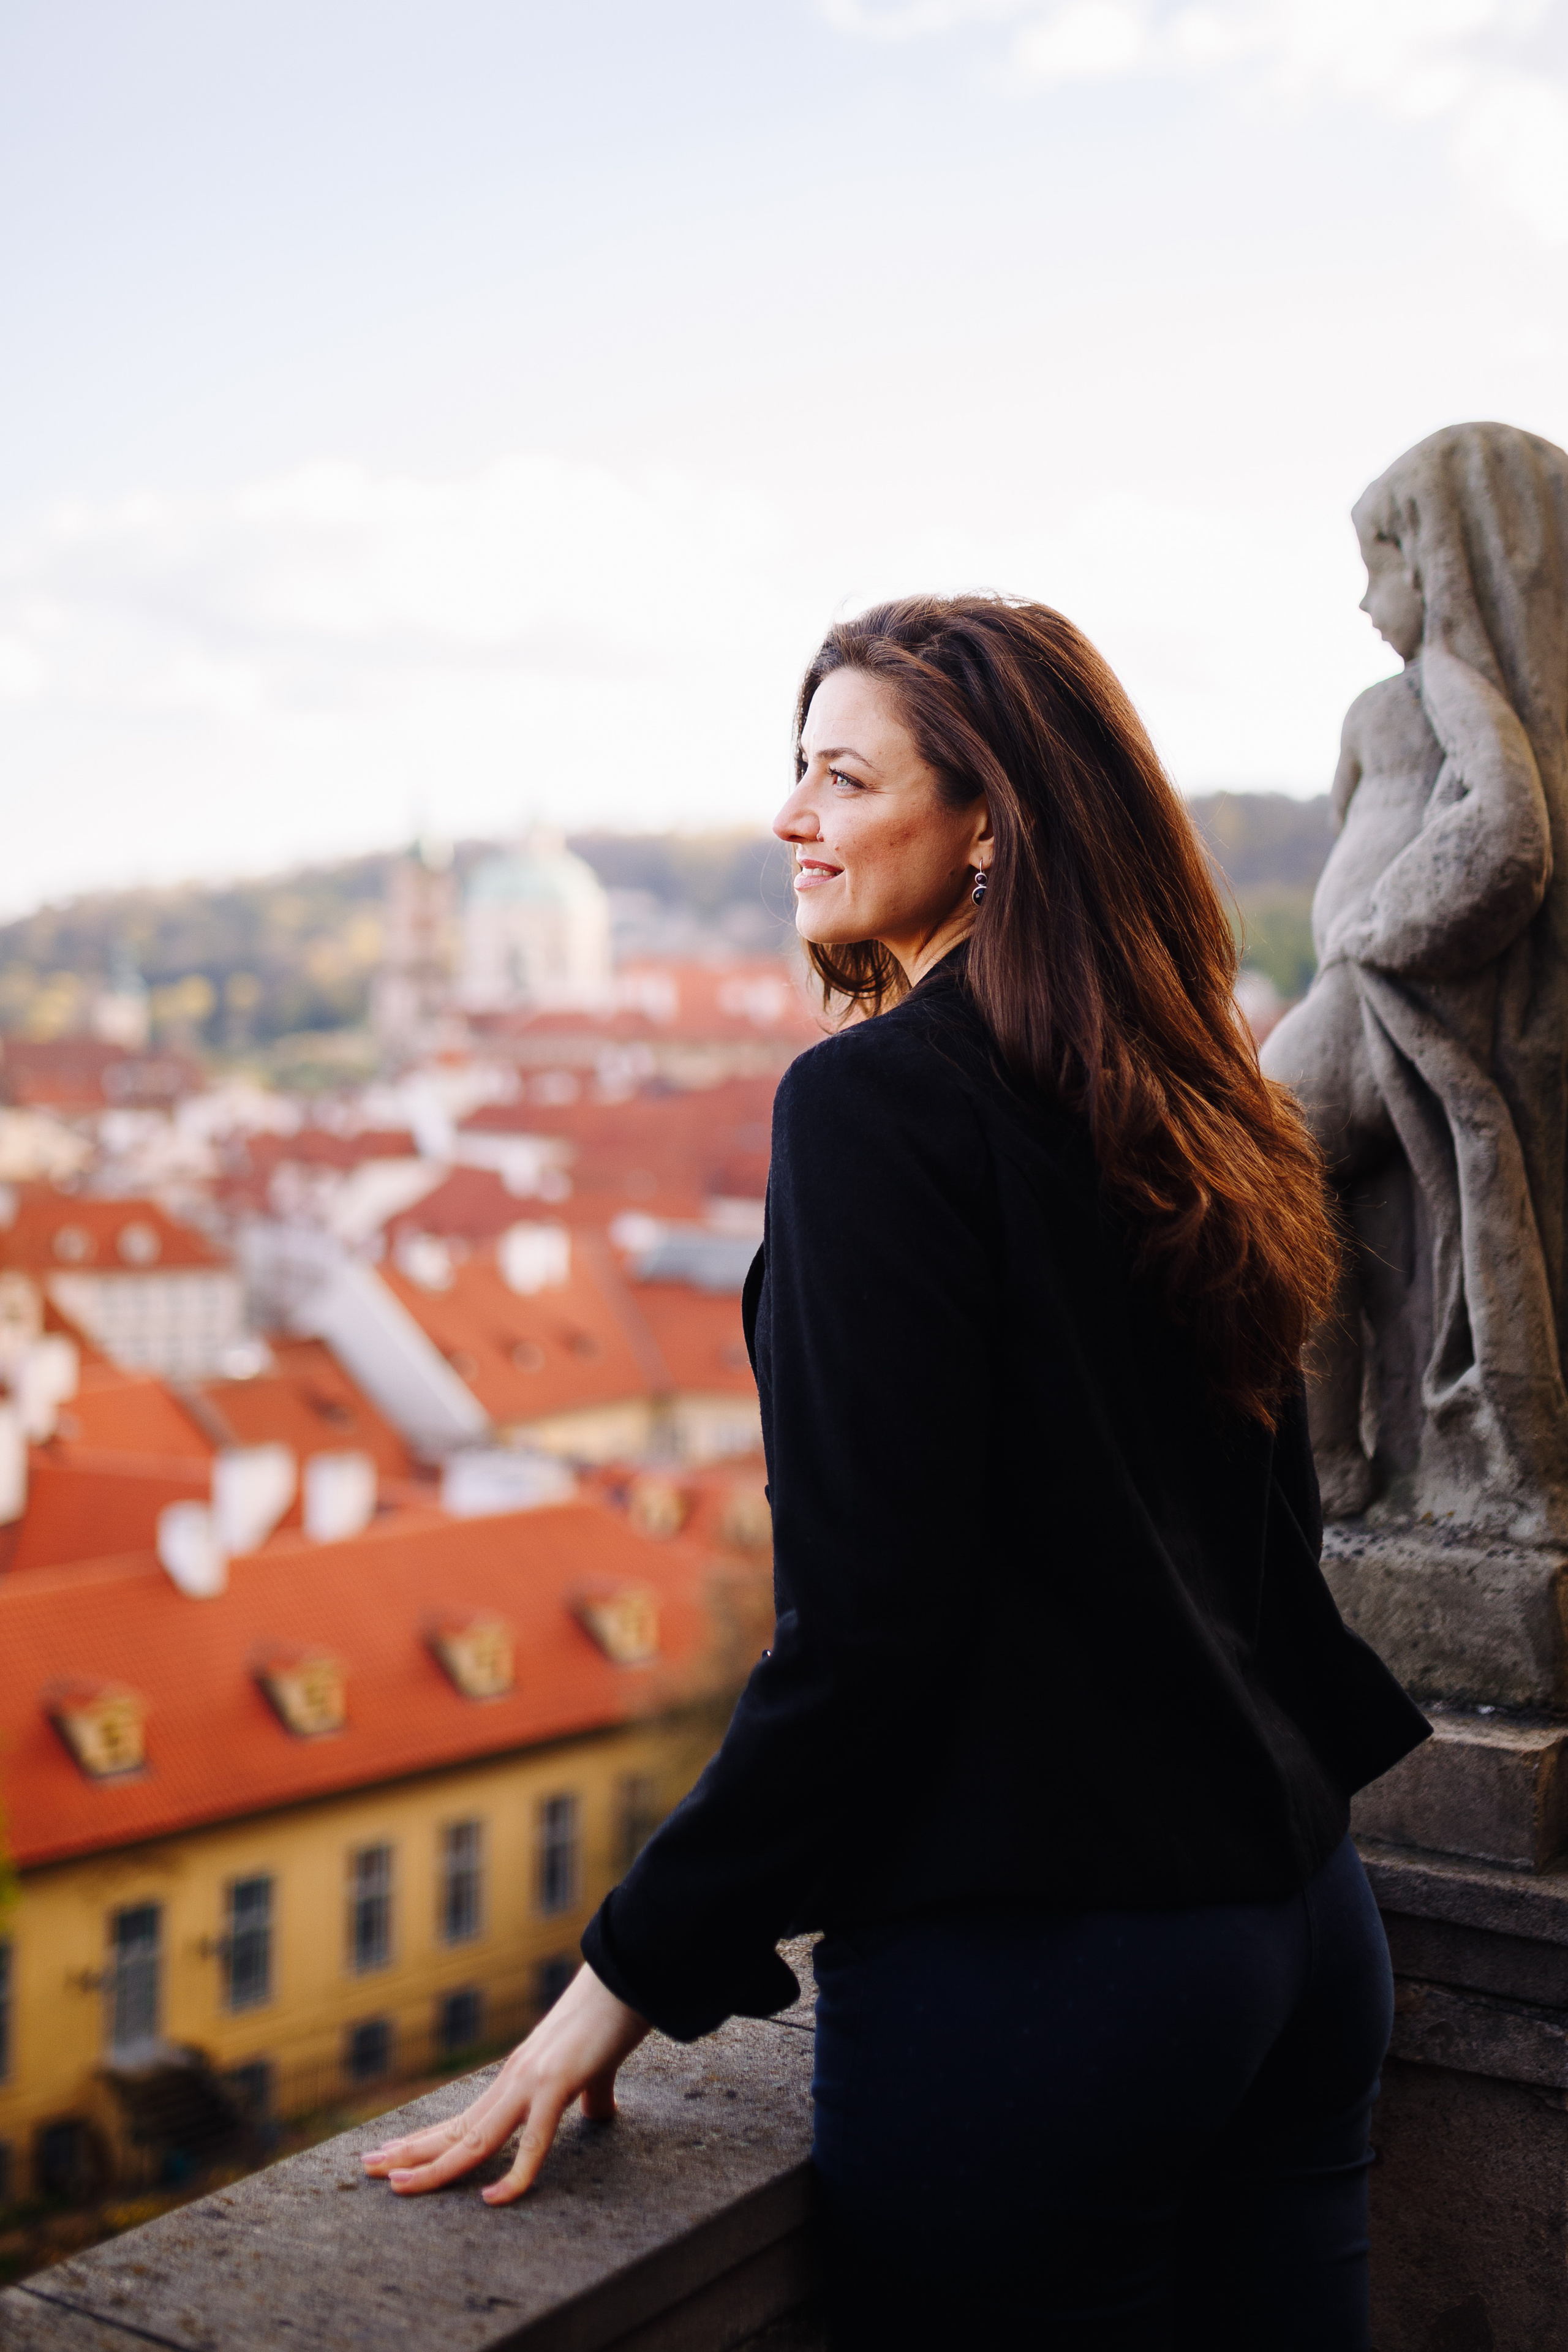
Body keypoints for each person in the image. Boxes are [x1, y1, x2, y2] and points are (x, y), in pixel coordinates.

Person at [364, 595, 1430, 2349]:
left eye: (843, 777)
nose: (792, 815)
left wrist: (618, 1979)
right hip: (1301, 1932)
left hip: (1054, 1969)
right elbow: (1265, 1541)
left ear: (991, 820)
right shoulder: (1187, 1097)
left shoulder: (871, 1108)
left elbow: (869, 1633)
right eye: (798, 769)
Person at [1262, 423, 1568, 1538]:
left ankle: (1333, 1457)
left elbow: (1507, 836)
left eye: (1378, 569)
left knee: (1266, 1156)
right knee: (1280, 1172)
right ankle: (1334, 1454)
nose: (1363, 603)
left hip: (1380, 1000)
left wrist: (1379, 928)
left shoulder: (1452, 680)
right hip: (1371, 995)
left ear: (1438, 569)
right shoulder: (1392, 706)